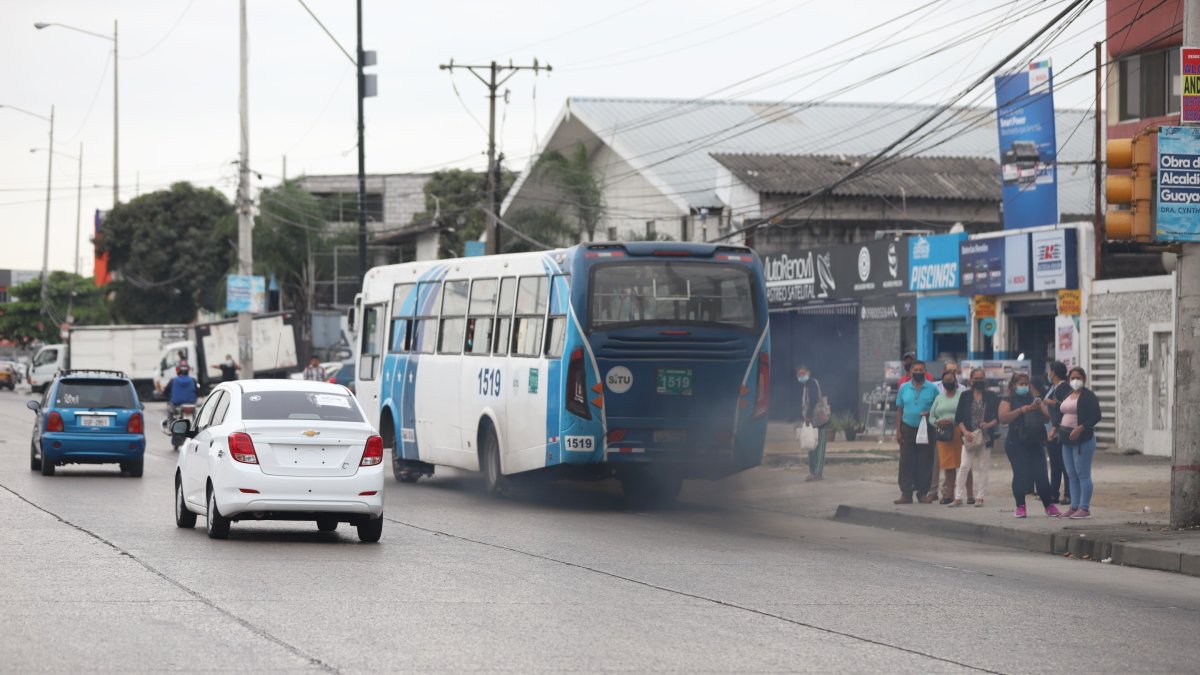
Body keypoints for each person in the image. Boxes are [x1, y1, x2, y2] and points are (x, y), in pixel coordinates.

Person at [998, 372, 1062, 518]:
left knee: (1041, 474)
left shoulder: (1034, 399)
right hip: (1016, 442)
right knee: (1021, 474)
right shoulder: (1008, 399)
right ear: (1014, 385)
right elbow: (1003, 418)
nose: (1024, 386)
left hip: (1035, 441)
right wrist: (1021, 410)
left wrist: (1039, 407)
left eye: (1026, 384)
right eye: (1021, 384)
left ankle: (1049, 505)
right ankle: (1020, 506)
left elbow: (1047, 419)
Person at [1057, 367, 1103, 519]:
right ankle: (1074, 506)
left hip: (1083, 440)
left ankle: (1084, 508)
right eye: (1072, 378)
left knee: (1083, 474)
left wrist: (1080, 428)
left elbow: (1096, 416)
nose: (1075, 381)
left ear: (1084, 379)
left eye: (1078, 377)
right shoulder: (1069, 394)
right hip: (1066, 440)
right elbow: (1062, 412)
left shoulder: (1088, 396)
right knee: (1071, 474)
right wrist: (1055, 429)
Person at [894, 360, 939, 504]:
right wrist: (898, 431)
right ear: (911, 371)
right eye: (916, 369)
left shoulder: (932, 388)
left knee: (925, 461)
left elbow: (938, 408)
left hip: (927, 429)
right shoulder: (904, 388)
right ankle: (906, 494)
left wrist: (930, 413)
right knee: (906, 461)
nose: (918, 372)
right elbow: (899, 410)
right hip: (907, 428)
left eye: (921, 370)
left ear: (925, 371)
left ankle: (922, 493)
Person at [951, 368, 997, 507]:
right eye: (976, 378)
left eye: (981, 378)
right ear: (971, 380)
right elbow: (958, 417)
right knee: (964, 466)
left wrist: (988, 424)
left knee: (983, 467)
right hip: (969, 436)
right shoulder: (965, 396)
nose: (979, 381)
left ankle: (980, 497)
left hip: (986, 436)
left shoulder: (991, 396)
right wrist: (965, 432)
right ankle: (958, 497)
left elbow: (997, 417)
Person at [930, 367, 965, 504]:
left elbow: (965, 414)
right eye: (946, 380)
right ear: (942, 383)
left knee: (961, 464)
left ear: (955, 381)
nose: (948, 382)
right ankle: (948, 494)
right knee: (947, 464)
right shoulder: (939, 398)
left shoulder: (962, 395)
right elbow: (931, 417)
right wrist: (938, 422)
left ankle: (960, 495)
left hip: (958, 432)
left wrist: (953, 420)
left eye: (951, 379)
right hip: (943, 434)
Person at [1041, 361, 1072, 505]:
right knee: (1055, 464)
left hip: (1059, 431)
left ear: (1053, 372)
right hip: (1051, 431)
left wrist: (1054, 427)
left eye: (1049, 370)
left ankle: (1068, 494)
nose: (1048, 373)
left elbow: (1065, 408)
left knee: (1064, 465)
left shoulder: (1063, 387)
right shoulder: (1053, 387)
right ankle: (1054, 493)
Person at [795, 365, 829, 481]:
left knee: (819, 447)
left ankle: (818, 474)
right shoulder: (805, 386)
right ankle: (813, 472)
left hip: (820, 420)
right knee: (810, 446)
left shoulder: (812, 383)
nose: (801, 376)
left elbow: (814, 399)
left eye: (803, 373)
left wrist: (808, 415)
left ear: (808, 372)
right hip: (812, 421)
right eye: (799, 374)